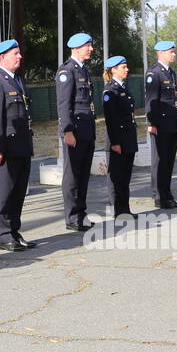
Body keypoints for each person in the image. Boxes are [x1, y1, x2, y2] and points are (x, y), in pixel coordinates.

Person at [0, 39, 36, 251]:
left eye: (19, 52)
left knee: (19, 191)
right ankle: (4, 235)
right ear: (2, 57)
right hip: (7, 146)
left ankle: (14, 231)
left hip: (22, 144)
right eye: (16, 53)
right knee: (4, 193)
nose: (20, 56)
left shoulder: (18, 81)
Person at [56, 33, 98, 230]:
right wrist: (67, 131)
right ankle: (72, 217)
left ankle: (81, 214)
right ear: (75, 48)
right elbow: (64, 105)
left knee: (82, 174)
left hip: (87, 129)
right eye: (87, 46)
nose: (90, 49)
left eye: (90, 45)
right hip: (75, 130)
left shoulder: (84, 70)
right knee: (72, 175)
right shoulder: (67, 71)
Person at [145, 41, 177, 208]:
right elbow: (151, 100)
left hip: (172, 121)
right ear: (160, 53)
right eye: (171, 52)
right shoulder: (154, 73)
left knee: (169, 160)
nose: (174, 55)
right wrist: (152, 123)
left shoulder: (171, 73)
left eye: (174, 52)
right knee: (159, 161)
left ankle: (167, 194)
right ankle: (159, 196)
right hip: (160, 123)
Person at [101, 56, 137, 219]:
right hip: (118, 140)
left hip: (128, 138)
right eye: (123, 67)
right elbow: (111, 120)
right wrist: (115, 142)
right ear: (113, 70)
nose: (127, 69)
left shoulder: (123, 88)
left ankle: (124, 209)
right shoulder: (110, 91)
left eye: (126, 66)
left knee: (125, 176)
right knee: (116, 177)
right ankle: (116, 210)